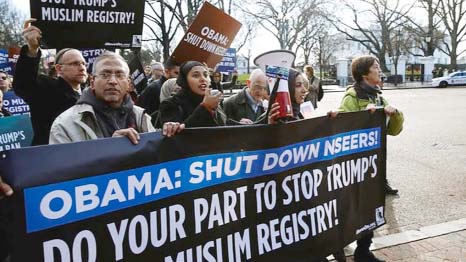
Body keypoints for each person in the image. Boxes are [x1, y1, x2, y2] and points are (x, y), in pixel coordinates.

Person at [333, 55, 403, 262]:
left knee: (370, 206)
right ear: (364, 73)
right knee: (350, 207)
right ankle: (338, 242)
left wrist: (395, 114)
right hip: (353, 166)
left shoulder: (379, 97)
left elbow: (394, 130)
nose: (380, 70)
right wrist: (365, 116)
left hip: (372, 165)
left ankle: (363, 250)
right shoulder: (352, 96)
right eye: (376, 67)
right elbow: (344, 128)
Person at [49, 51, 155, 144]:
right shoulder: (65, 124)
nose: (113, 81)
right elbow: (62, 166)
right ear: (92, 82)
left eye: (119, 75)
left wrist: (169, 137)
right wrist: (108, 150)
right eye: (105, 75)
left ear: (128, 84)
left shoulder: (142, 117)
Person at [13, 18, 87, 145]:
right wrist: (32, 50)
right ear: (59, 68)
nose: (82, 67)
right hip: (50, 157)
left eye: (83, 64)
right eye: (75, 63)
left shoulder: (90, 93)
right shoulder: (47, 88)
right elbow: (24, 84)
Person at [159, 61, 226, 130]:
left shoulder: (211, 100)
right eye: (196, 75)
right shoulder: (171, 104)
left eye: (205, 75)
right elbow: (178, 136)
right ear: (185, 80)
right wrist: (205, 107)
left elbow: (223, 129)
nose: (203, 79)